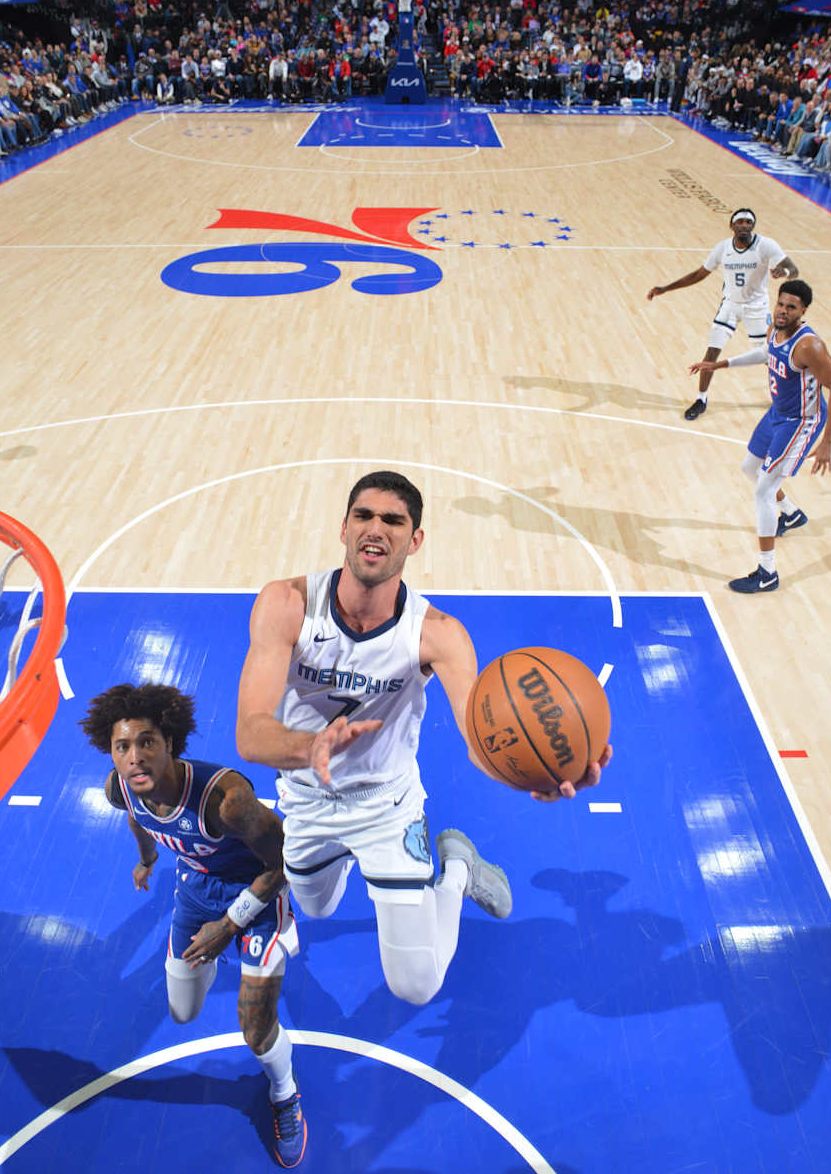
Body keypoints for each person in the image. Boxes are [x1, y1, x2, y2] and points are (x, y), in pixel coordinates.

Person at [235, 471, 609, 1009]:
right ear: (343, 528)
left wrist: (539, 776)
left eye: (394, 521)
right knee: (315, 909)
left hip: (386, 803)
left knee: (416, 985)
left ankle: (455, 868)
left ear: (415, 541)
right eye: (364, 516)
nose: (376, 528)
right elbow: (251, 733)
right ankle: (352, 861)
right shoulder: (287, 603)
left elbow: (479, 738)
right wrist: (307, 747)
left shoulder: (438, 634)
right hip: (307, 797)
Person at [80, 683, 307, 1168]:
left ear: (170, 744)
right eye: (123, 747)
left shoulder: (224, 800)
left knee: (255, 1027)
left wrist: (229, 926)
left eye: (147, 743)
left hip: (255, 898)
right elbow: (140, 821)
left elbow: (285, 861)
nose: (135, 757)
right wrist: (145, 862)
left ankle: (284, 1094)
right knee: (183, 1011)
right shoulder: (120, 787)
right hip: (196, 892)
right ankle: (226, 957)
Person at [688, 280, 831, 593]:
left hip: (801, 420)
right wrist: (720, 364)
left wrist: (827, 441)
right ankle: (790, 513)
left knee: (763, 490)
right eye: (781, 304)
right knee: (749, 468)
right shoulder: (775, 328)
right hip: (778, 412)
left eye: (792, 307)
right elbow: (765, 353)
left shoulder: (809, 346)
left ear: (803, 311)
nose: (784, 311)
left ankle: (767, 572)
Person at [647, 207, 799, 421]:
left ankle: (789, 396)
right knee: (711, 353)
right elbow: (699, 274)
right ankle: (701, 399)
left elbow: (793, 269)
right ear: (732, 226)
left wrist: (783, 272)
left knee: (770, 356)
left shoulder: (766, 245)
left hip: (756, 307)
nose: (745, 225)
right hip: (730, 304)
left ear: (753, 226)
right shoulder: (722, 248)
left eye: (749, 222)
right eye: (741, 222)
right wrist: (666, 288)